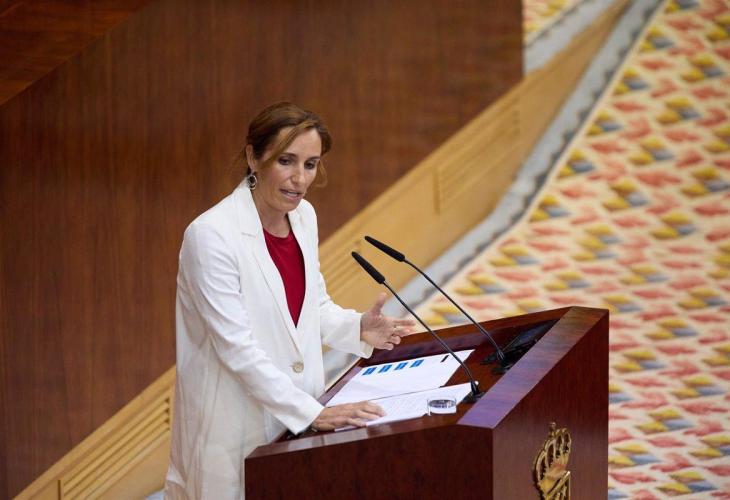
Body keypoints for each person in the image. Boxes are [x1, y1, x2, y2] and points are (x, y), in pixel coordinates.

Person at [164, 102, 415, 499]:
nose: (299, 179)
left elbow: (311, 308)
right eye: (286, 161)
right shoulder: (211, 236)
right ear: (253, 157)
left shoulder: (303, 217)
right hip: (234, 431)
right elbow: (236, 348)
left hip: (298, 415)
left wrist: (357, 328)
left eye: (310, 164)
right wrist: (312, 412)